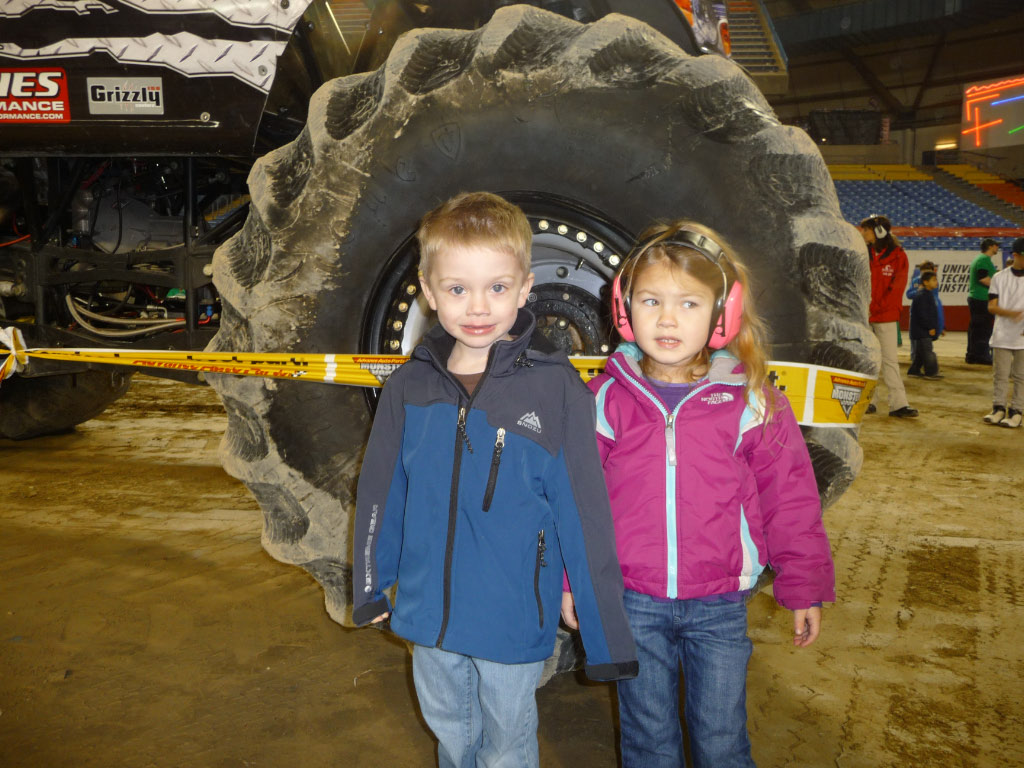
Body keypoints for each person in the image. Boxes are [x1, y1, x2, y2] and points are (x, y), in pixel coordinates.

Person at [351, 191, 637, 768]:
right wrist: (370, 582)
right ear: (429, 292)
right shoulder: (409, 387)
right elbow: (382, 490)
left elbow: (584, 511)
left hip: (513, 614)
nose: (477, 307)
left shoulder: (555, 389)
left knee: (507, 742)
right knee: (451, 733)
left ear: (526, 288)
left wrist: (602, 622)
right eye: (457, 289)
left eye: (497, 287)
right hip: (429, 615)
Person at [565, 222, 835, 768]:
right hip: (632, 601)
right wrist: (573, 582)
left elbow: (790, 501)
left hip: (720, 605)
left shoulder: (752, 400)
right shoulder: (603, 399)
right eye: (651, 301)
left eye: (689, 303)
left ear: (722, 314)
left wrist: (804, 585)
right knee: (647, 740)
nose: (667, 319)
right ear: (623, 309)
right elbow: (576, 502)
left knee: (721, 739)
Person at [859, 215, 918, 417]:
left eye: (866, 230)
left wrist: (874, 308)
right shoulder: (862, 253)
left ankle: (899, 404)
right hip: (865, 316)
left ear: (879, 232)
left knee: (890, 361)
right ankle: (867, 401)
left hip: (885, 317)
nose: (863, 233)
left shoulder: (899, 256)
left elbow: (896, 290)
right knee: (867, 360)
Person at [983, 236, 1024, 428]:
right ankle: (998, 408)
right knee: (1000, 375)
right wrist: (1011, 313)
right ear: (1015, 255)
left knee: (1021, 376)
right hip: (1002, 335)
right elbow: (991, 306)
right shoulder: (999, 278)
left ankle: (1017, 411)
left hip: (1022, 337)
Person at [966, 238, 1001, 365]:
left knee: (975, 329)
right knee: (983, 329)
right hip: (981, 299)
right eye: (996, 245)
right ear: (990, 246)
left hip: (977, 298)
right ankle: (982, 356)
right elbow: (983, 278)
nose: (997, 248)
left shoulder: (981, 259)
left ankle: (972, 355)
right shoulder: (983, 260)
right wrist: (999, 287)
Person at [908, 270, 943, 380]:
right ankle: (931, 372)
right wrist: (930, 327)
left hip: (921, 330)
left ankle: (914, 371)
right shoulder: (922, 295)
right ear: (925, 282)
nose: (936, 282)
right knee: (928, 352)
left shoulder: (927, 294)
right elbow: (923, 314)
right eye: (933, 280)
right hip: (922, 330)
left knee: (921, 352)